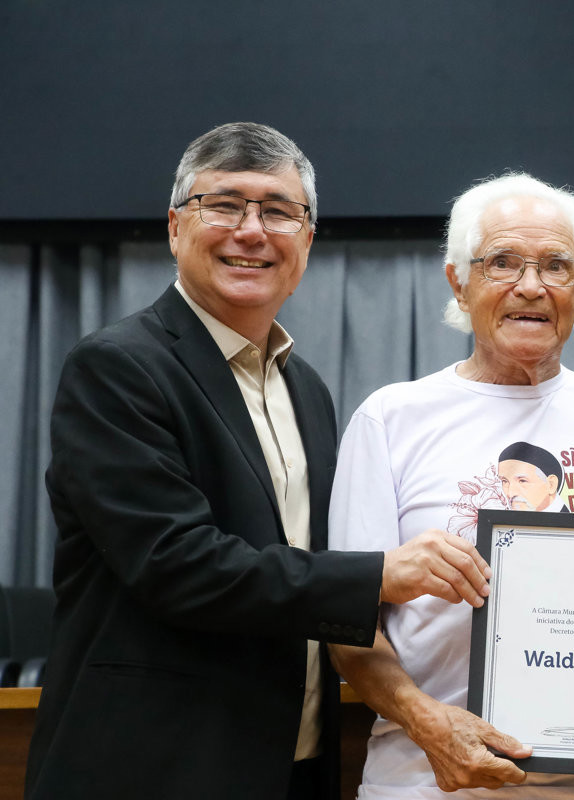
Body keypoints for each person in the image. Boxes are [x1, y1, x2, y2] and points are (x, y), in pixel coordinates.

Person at [25, 123, 493, 800]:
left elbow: (307, 568)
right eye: (223, 205)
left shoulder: (306, 390)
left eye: (278, 211)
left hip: (292, 768)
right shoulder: (118, 367)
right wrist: (379, 575)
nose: (251, 231)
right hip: (155, 769)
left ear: (307, 240)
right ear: (175, 228)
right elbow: (177, 567)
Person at [328, 172, 574, 800]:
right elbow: (345, 626)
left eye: (556, 266)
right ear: (458, 282)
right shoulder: (391, 417)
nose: (531, 286)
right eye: (502, 262)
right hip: (431, 782)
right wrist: (427, 724)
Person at [497, 441, 569, 512]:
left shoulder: (569, 519)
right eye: (504, 481)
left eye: (522, 481)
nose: (510, 493)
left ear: (551, 484)